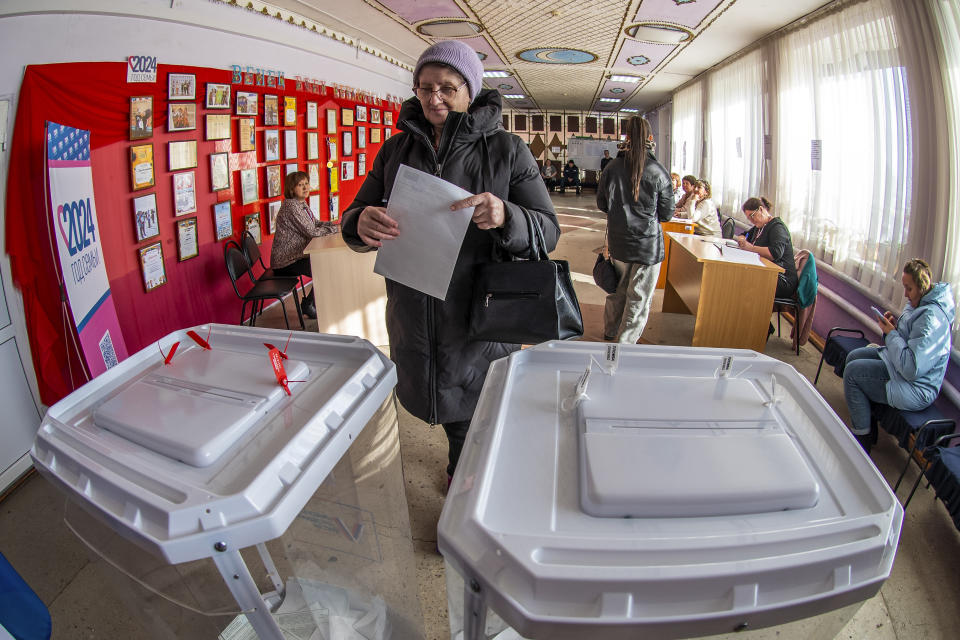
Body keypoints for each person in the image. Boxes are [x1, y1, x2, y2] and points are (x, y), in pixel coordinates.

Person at [340, 39, 559, 480]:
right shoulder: (396, 150)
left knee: (473, 422)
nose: (432, 98)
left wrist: (505, 215)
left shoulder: (507, 151)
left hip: (479, 315)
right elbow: (355, 216)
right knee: (433, 402)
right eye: (423, 88)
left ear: (471, 89)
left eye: (446, 87)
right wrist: (358, 224)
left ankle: (467, 490)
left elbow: (548, 231)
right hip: (414, 312)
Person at [843, 259, 955, 452]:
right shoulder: (918, 303)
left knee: (853, 373)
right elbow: (907, 342)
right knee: (853, 357)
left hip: (916, 386)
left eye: (909, 288)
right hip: (899, 368)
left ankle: (862, 441)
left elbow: (911, 369)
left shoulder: (931, 319)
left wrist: (892, 334)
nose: (905, 294)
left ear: (922, 287)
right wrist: (893, 329)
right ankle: (868, 420)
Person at [598, 116, 674, 343]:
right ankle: (625, 343)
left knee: (618, 290)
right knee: (638, 296)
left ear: (626, 138)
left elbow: (603, 205)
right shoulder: (659, 171)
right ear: (651, 139)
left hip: (619, 243)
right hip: (648, 246)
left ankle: (610, 330)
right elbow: (667, 213)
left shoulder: (611, 167)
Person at [270, 171, 339, 319]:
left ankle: (310, 303)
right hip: (286, 262)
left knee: (326, 266)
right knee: (324, 269)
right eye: (300, 185)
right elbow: (312, 232)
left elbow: (315, 223)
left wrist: (333, 224)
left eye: (306, 183)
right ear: (291, 189)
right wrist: (335, 229)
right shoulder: (291, 207)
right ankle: (308, 305)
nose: (305, 187)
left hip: (295, 256)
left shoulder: (301, 204)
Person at [735, 196, 798, 299]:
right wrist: (742, 239)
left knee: (744, 279)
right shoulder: (759, 227)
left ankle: (748, 312)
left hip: (782, 279)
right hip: (767, 272)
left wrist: (751, 248)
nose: (751, 220)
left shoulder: (777, 227)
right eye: (748, 218)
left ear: (761, 209)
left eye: (752, 216)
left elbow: (775, 253)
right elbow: (744, 234)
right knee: (739, 275)